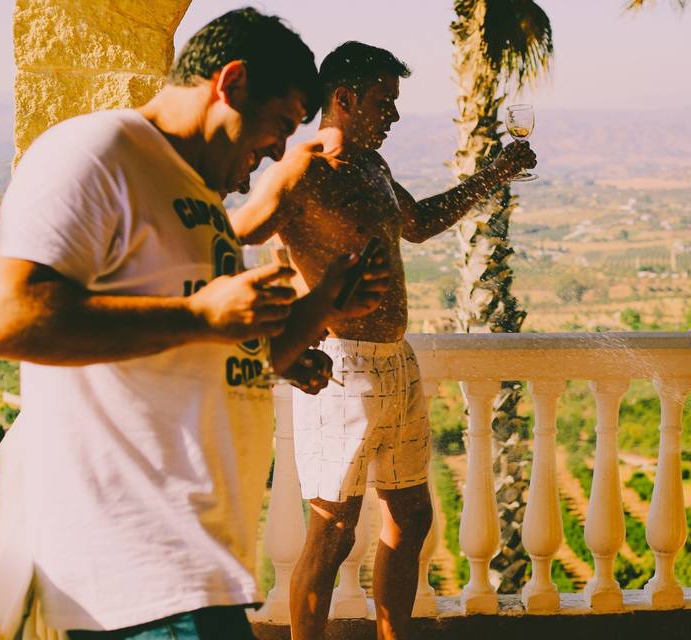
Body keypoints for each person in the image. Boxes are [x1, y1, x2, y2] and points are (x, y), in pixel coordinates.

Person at [0, 9, 387, 638]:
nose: (280, 149)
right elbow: (4, 316)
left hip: (197, 569)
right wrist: (199, 314)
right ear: (232, 81)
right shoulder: (99, 152)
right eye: (279, 123)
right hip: (136, 571)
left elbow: (205, 349)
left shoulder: (198, 195)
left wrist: (317, 311)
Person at [232, 41, 536, 640]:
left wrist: (494, 175)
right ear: (342, 98)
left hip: (396, 361)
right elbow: (231, 241)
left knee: (412, 514)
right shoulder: (298, 169)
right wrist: (283, 347)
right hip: (339, 368)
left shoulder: (371, 165)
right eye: (382, 103)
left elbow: (418, 223)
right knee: (334, 530)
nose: (393, 117)